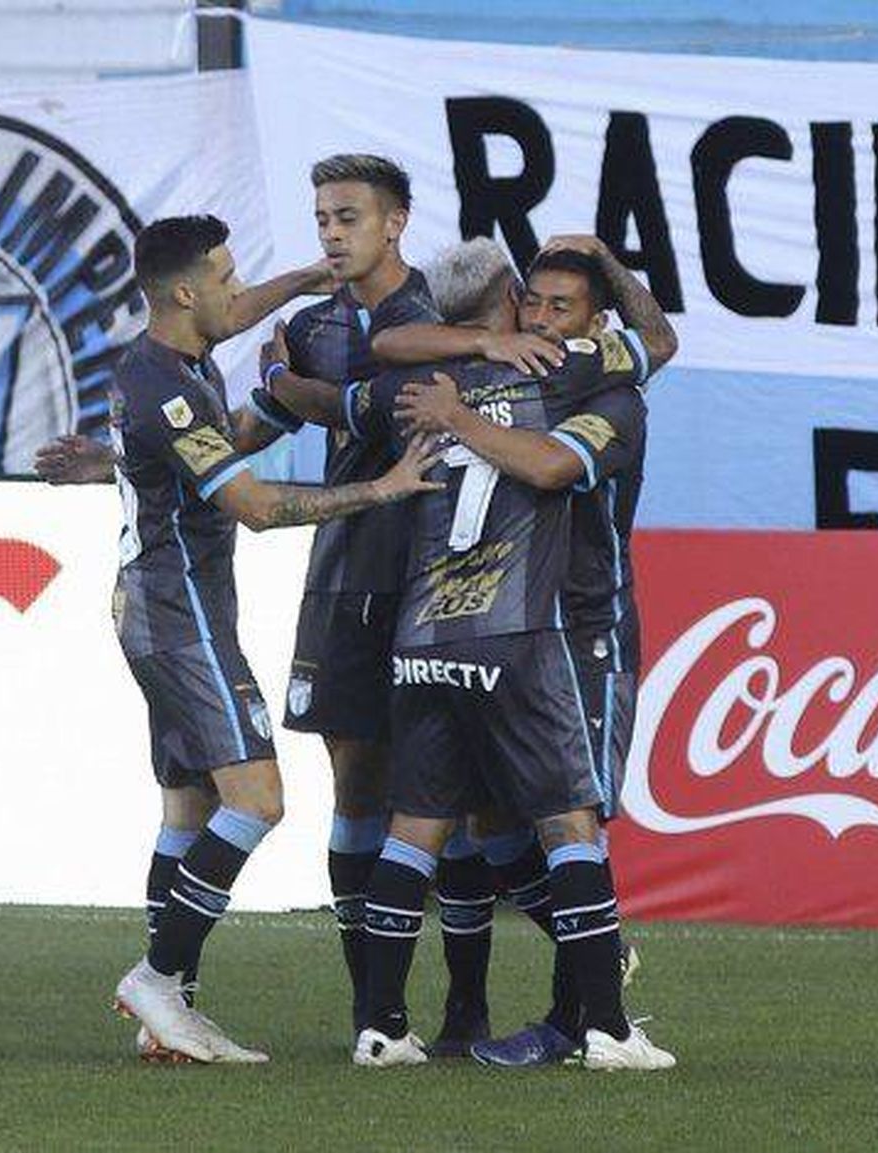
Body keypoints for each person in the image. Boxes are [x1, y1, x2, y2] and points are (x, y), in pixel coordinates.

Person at [276, 237, 675, 1070]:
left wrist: (282, 384)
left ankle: (400, 1024)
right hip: (544, 631)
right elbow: (589, 422)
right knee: (561, 826)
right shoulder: (573, 375)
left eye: (558, 308)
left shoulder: (439, 381)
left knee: (445, 829)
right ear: (506, 306)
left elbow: (365, 375)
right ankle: (597, 1019)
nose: (540, 318)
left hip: (441, 633)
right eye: (532, 302)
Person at [105, 214, 441, 1064]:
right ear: (185, 293)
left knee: (188, 804)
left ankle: (167, 1014)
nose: (235, 290)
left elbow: (236, 345)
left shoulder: (176, 360)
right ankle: (157, 977)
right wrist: (381, 486)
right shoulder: (168, 387)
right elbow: (255, 508)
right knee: (257, 799)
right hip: (177, 613)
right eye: (223, 277)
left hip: (165, 603)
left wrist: (299, 285)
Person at [270, 154, 562, 1044]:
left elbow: (379, 402)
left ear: (395, 222)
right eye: (322, 215)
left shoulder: (425, 323)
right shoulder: (316, 322)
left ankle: (468, 1000)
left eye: (347, 216)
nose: (331, 231)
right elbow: (268, 417)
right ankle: (375, 1005)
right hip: (347, 574)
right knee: (358, 783)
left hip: (438, 577)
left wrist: (291, 387)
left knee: (456, 793)